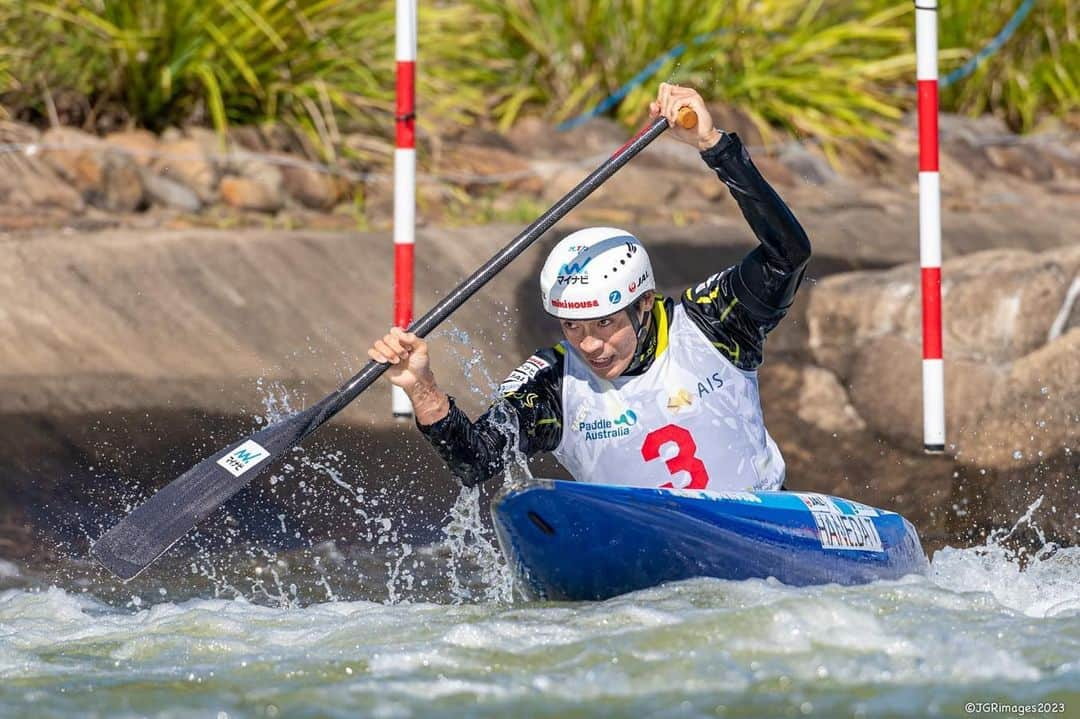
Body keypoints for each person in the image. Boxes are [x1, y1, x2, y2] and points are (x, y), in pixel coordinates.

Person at [367, 83, 810, 492]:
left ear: (644, 305)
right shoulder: (554, 384)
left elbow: (787, 253)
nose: (591, 345)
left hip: (767, 529)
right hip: (642, 553)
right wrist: (421, 387)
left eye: (605, 323)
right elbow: (476, 462)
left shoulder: (712, 323)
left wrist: (715, 147)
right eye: (573, 327)